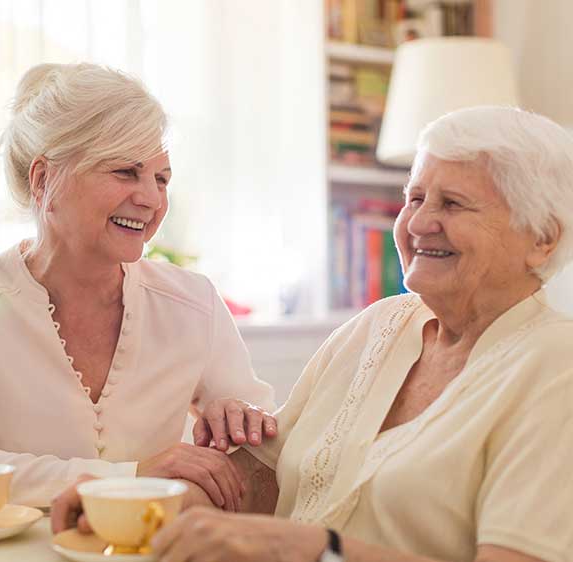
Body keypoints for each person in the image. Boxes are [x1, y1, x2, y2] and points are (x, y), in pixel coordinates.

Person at [53, 106, 573, 562]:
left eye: (453, 204)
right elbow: (266, 480)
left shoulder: (556, 369)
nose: (418, 224)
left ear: (542, 239)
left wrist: (313, 551)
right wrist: (136, 502)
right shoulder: (379, 325)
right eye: (414, 198)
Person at [0, 63, 276, 512]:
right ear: (43, 181)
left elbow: (267, 456)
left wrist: (236, 424)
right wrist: (130, 479)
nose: (151, 198)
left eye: (161, 178)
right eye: (125, 172)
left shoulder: (194, 302)